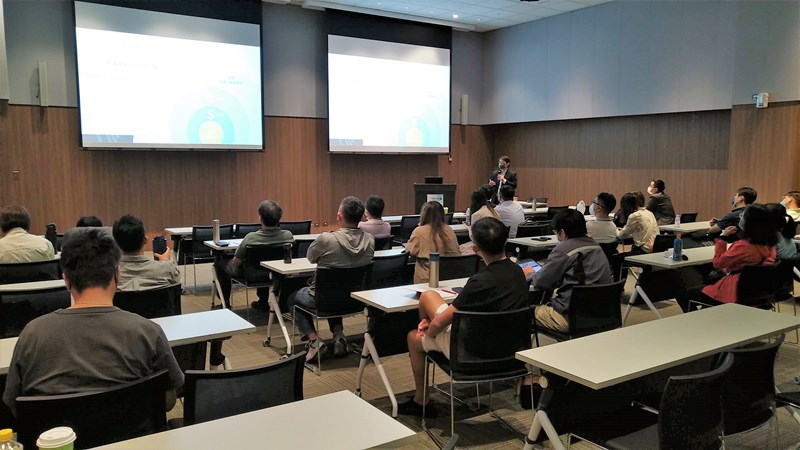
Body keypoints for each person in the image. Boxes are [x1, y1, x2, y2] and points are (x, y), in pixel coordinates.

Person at [2, 228, 184, 414]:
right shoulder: (149, 332)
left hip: (55, 433)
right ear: (117, 274)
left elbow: (13, 405)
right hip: (134, 431)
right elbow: (168, 401)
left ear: (66, 280)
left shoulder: (31, 335)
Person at [400, 217, 528, 416]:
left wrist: (429, 331)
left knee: (414, 336)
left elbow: (440, 324)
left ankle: (421, 400)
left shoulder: (479, 282)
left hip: (471, 353)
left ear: (475, 249)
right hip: (509, 350)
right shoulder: (518, 272)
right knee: (428, 296)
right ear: (505, 242)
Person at [287, 196, 374, 362]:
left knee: (292, 298)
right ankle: (339, 336)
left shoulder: (326, 239)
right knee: (338, 291)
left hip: (324, 300)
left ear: (339, 216)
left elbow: (310, 257)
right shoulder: (370, 240)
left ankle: (314, 342)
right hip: (355, 300)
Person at [676, 204, 777, 312]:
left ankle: (698, 320)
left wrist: (723, 238)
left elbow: (718, 263)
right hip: (759, 292)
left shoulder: (743, 246)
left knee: (683, 295)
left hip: (732, 292)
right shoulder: (770, 245)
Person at [529, 209, 613, 332]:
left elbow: (540, 282)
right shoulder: (596, 246)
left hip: (573, 318)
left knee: (522, 311)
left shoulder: (563, 249)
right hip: (603, 315)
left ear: (562, 232)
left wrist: (531, 274)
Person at [213, 200, 294, 311]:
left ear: (260, 218)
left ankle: (225, 303)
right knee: (265, 265)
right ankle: (263, 301)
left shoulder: (250, 238)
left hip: (251, 275)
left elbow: (236, 262)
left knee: (220, 265)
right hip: (277, 274)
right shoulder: (288, 235)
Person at [113, 214, 180, 291]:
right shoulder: (167, 268)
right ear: (145, 240)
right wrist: (166, 262)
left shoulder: (107, 275)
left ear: (116, 243)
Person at [406, 201, 460, 283]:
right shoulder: (449, 230)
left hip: (427, 281)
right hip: (449, 278)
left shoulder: (419, 232)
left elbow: (409, 252)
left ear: (423, 214)